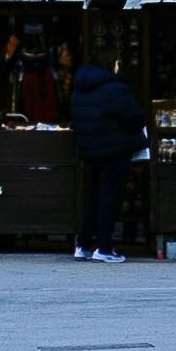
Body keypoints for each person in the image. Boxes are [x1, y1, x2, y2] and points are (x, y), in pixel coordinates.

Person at [67, 27, 150, 268]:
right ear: (111, 63)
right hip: (114, 150)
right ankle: (103, 247)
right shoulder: (114, 88)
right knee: (109, 199)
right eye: (117, 61)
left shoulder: (81, 87)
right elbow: (135, 117)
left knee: (93, 198)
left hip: (90, 151)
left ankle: (82, 245)